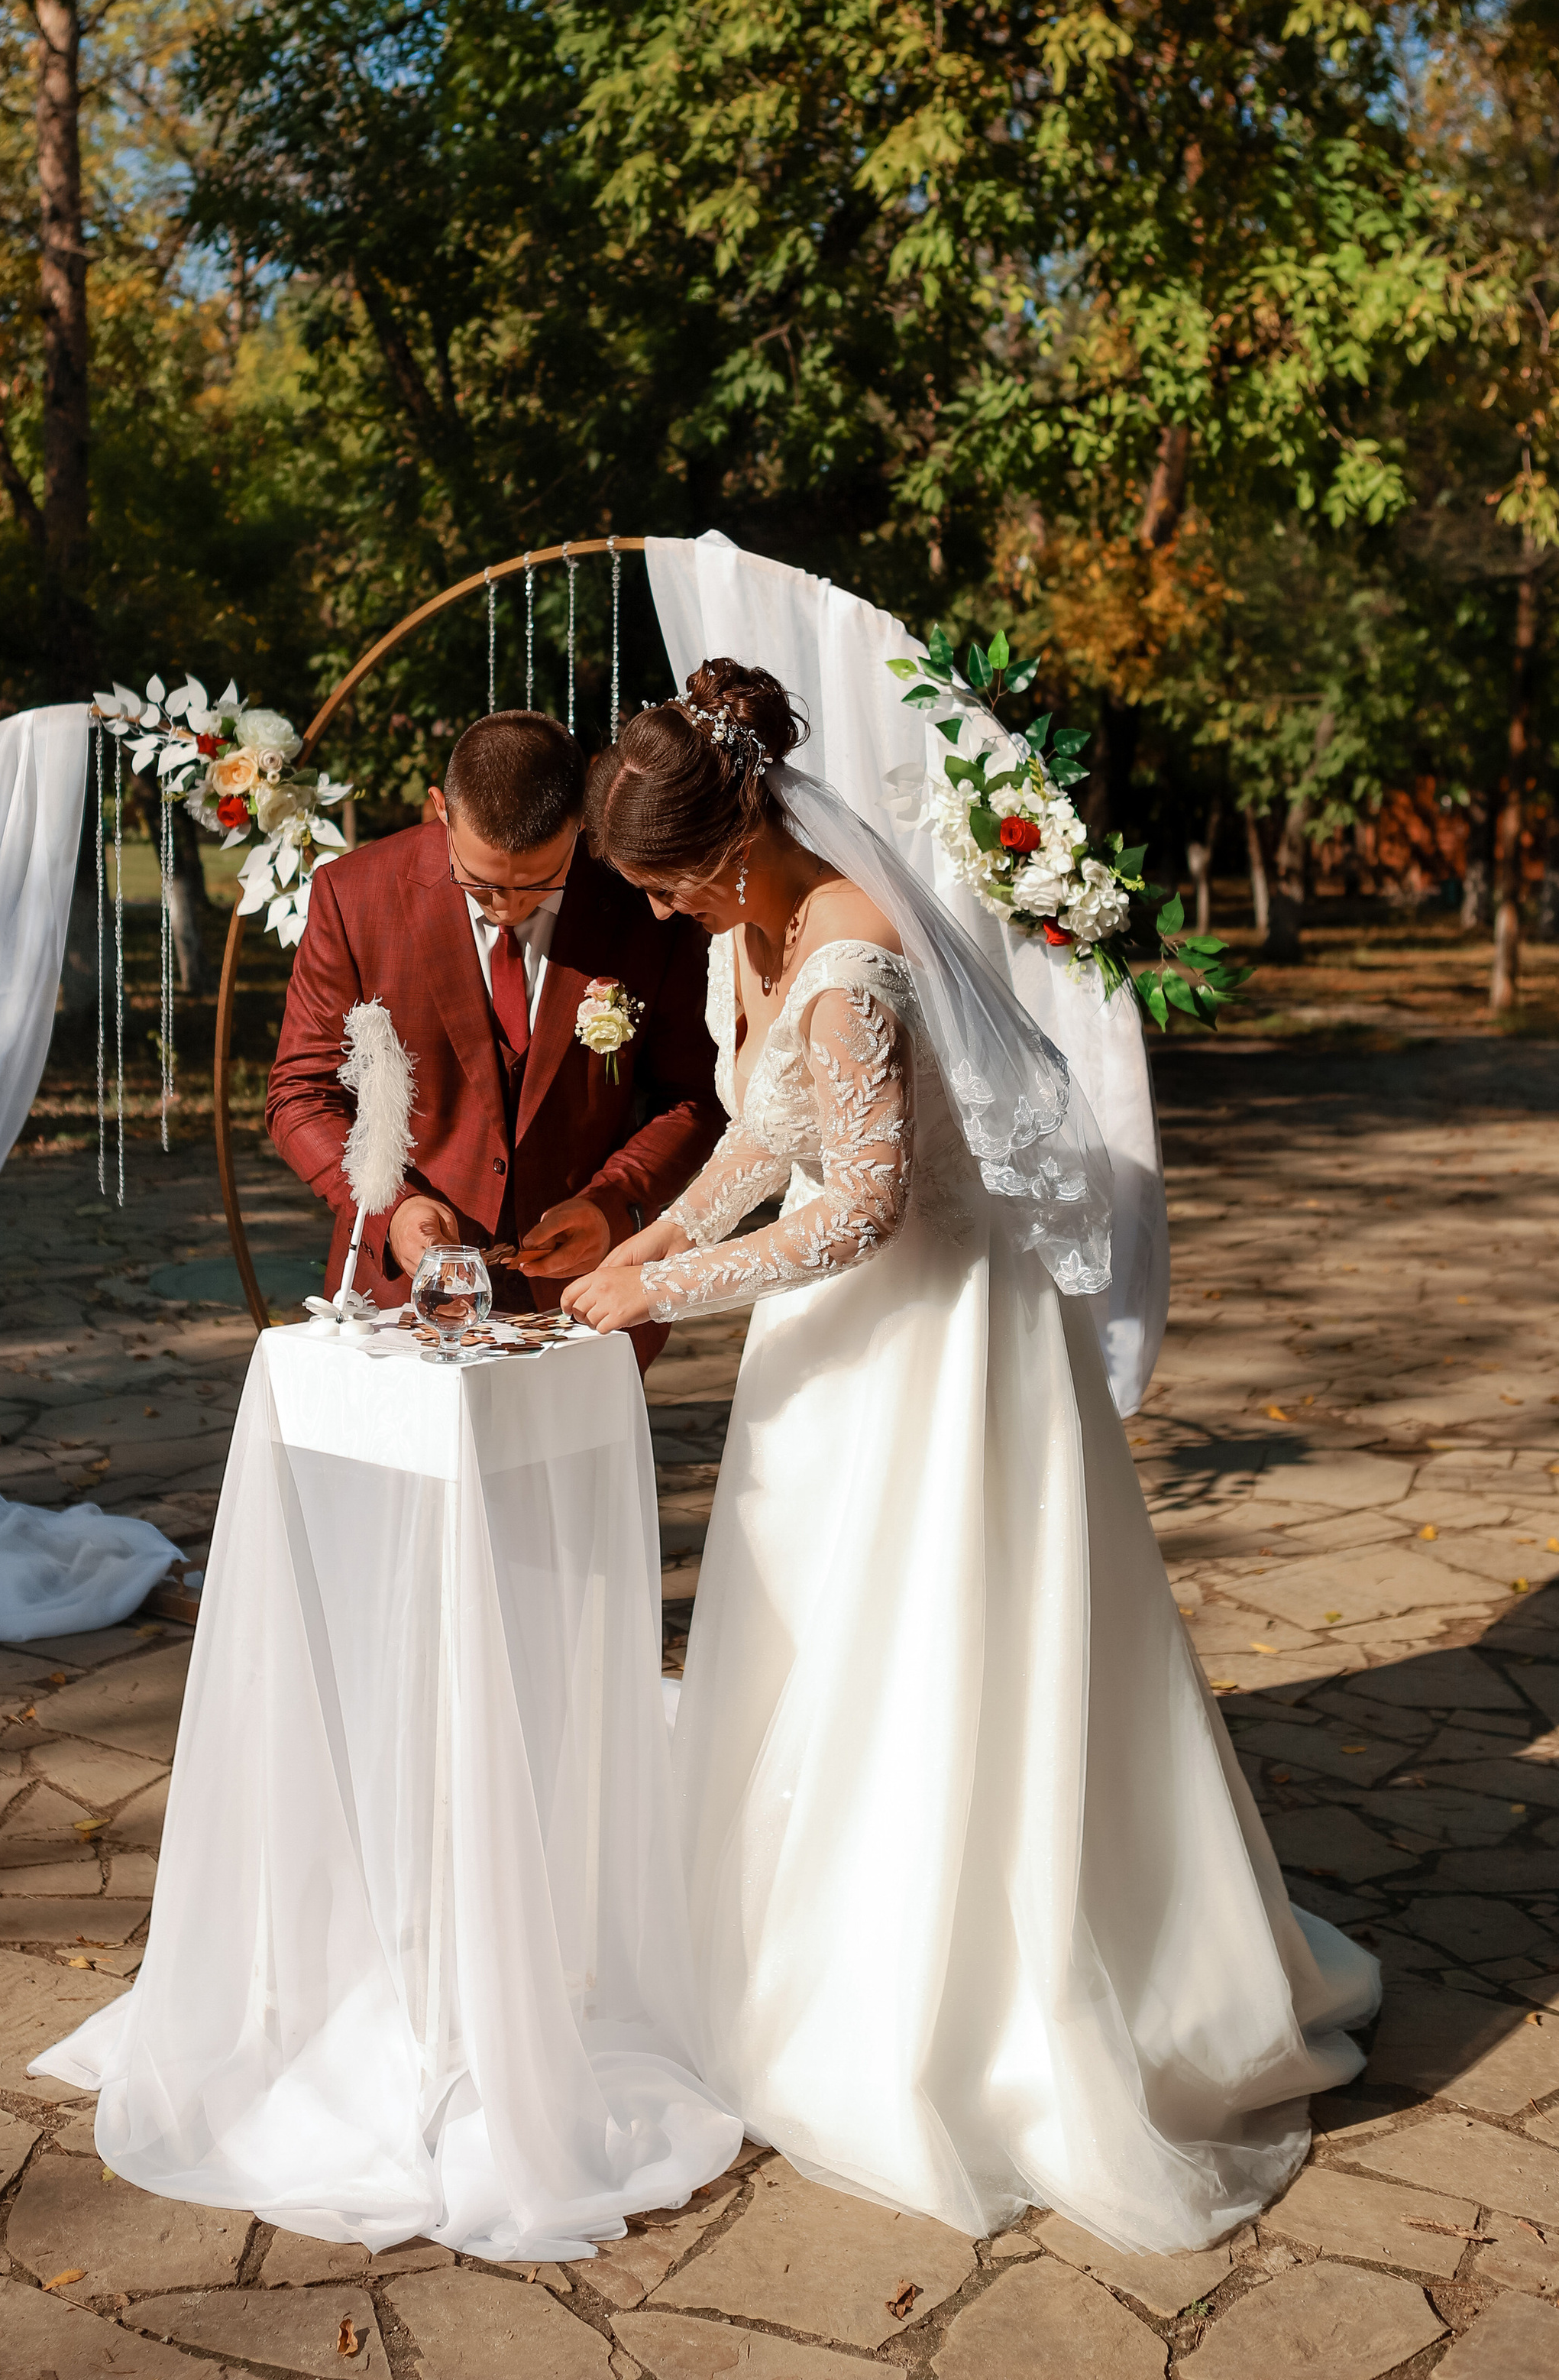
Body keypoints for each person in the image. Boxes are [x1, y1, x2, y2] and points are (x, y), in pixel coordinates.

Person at [563, 659, 1379, 2255]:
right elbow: (764, 1130)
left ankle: (958, 2009)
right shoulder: (762, 923)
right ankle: (798, 1945)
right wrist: (647, 1226)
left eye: (667, 891)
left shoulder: (853, 957)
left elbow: (863, 1210)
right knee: (810, 1654)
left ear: (731, 849)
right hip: (826, 1350)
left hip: (930, 1351)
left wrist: (658, 1291)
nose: (660, 923)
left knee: (929, 1657)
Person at [268, 708, 723, 1366]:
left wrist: (614, 1201)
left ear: (582, 826)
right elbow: (299, 1093)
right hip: (402, 1303)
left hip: (585, 1305)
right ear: (439, 811)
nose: (507, 905)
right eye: (479, 882)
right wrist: (394, 1208)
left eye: (539, 882)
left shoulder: (644, 903)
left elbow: (694, 1096)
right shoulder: (353, 896)